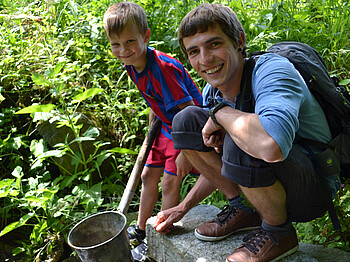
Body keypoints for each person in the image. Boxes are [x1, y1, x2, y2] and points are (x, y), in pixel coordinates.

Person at [153, 3, 340, 262]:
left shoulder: (272, 71)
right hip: (276, 176)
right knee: (186, 121)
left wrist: (219, 114)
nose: (205, 59)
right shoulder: (214, 91)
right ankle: (245, 210)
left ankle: (279, 233)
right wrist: (184, 207)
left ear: (239, 41)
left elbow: (270, 145)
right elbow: (221, 167)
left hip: (314, 184)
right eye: (194, 51)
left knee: (240, 136)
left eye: (214, 44)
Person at [103, 1, 203, 259]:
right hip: (166, 128)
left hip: (188, 129)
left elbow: (189, 111)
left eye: (129, 42)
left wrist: (186, 150)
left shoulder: (163, 69)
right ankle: (140, 229)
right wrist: (152, 132)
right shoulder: (131, 64)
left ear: (145, 36)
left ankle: (159, 234)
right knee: (148, 176)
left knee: (170, 182)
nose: (123, 50)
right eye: (116, 44)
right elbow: (153, 99)